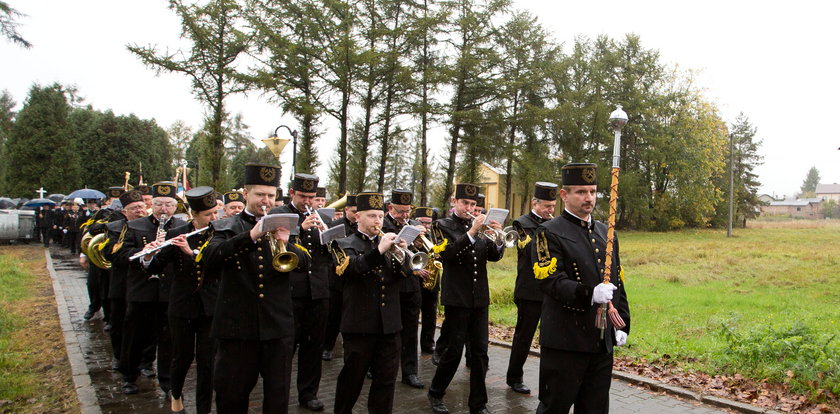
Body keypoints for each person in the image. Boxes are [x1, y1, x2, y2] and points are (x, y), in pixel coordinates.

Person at [202, 163, 310, 414]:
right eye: (260, 194)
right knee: (231, 396)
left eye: (271, 195)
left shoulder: (286, 225)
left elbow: (305, 263)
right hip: (237, 329)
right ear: (245, 194)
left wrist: (288, 244)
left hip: (277, 328)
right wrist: (252, 235)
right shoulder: (225, 226)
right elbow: (212, 257)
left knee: (277, 397)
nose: (266, 200)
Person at [532, 163, 631, 414]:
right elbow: (550, 281)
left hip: (600, 341)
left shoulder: (605, 232)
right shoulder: (548, 232)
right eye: (581, 192)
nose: (589, 198)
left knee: (595, 409)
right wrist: (589, 293)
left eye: (593, 191)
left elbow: (617, 282)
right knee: (554, 406)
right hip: (566, 340)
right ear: (564, 195)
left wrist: (622, 324)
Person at [427, 183, 505, 414]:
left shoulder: (480, 228)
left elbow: (493, 256)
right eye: (465, 203)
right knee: (453, 351)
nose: (469, 208)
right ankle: (436, 392)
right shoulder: (441, 225)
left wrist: (498, 237)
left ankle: (478, 404)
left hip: (480, 299)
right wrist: (472, 232)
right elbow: (448, 254)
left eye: (473, 204)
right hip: (457, 299)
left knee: (480, 353)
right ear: (454, 202)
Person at [331, 192, 410, 414]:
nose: (377, 221)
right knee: (352, 380)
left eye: (379, 216)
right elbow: (351, 271)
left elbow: (405, 275)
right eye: (371, 216)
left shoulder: (389, 244)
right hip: (359, 325)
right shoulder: (343, 243)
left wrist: (402, 255)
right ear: (357, 217)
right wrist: (379, 250)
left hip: (390, 325)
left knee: (385, 382)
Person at [144, 186, 219, 414]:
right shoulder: (178, 234)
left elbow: (219, 263)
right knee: (182, 356)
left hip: (210, 307)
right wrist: (149, 255)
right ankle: (176, 394)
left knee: (207, 361)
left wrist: (192, 253)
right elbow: (155, 267)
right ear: (193, 216)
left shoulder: (221, 234)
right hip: (182, 306)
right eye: (208, 215)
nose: (214, 218)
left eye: (216, 213)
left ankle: (203, 408)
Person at [111, 182, 186, 395]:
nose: (164, 209)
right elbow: (119, 255)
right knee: (135, 335)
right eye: (159, 204)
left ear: (175, 207)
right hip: (141, 291)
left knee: (168, 339)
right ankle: (129, 375)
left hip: (168, 292)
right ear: (151, 205)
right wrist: (145, 253)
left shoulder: (181, 226)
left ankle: (167, 381)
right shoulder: (134, 226)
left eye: (169, 205)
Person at [271, 173, 332, 411]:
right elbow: (274, 245)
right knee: (285, 348)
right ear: (291, 193)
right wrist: (299, 228)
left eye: (311, 196)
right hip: (290, 291)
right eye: (303, 196)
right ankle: (279, 395)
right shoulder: (279, 215)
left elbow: (327, 255)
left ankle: (309, 394)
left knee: (313, 347)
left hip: (318, 291)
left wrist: (331, 239)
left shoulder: (322, 216)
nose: (308, 201)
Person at [504, 182, 557, 395]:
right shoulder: (521, 223)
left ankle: (548, 381)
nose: (550, 211)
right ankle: (514, 377)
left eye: (553, 206)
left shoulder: (554, 222)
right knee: (524, 337)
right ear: (535, 203)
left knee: (550, 338)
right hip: (529, 291)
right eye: (546, 206)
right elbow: (530, 250)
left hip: (551, 290)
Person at [381, 189, 426, 389]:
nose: (404, 215)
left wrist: (418, 243)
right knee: (388, 330)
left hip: (411, 286)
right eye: (400, 211)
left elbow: (419, 255)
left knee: (410, 331)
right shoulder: (383, 225)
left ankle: (410, 372)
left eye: (407, 211)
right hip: (392, 285)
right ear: (390, 208)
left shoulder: (411, 225)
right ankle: (379, 367)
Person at [322, 194, 356, 361]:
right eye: (354, 211)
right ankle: (327, 346)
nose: (357, 215)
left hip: (355, 278)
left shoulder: (361, 226)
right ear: (346, 210)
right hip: (337, 277)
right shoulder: (335, 225)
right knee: (334, 315)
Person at [412, 206, 439, 355]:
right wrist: (416, 270)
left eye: (429, 223)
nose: (426, 226)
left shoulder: (434, 235)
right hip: (416, 281)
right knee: (414, 317)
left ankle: (428, 344)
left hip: (432, 280)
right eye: (423, 222)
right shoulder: (412, 237)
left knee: (430, 316)